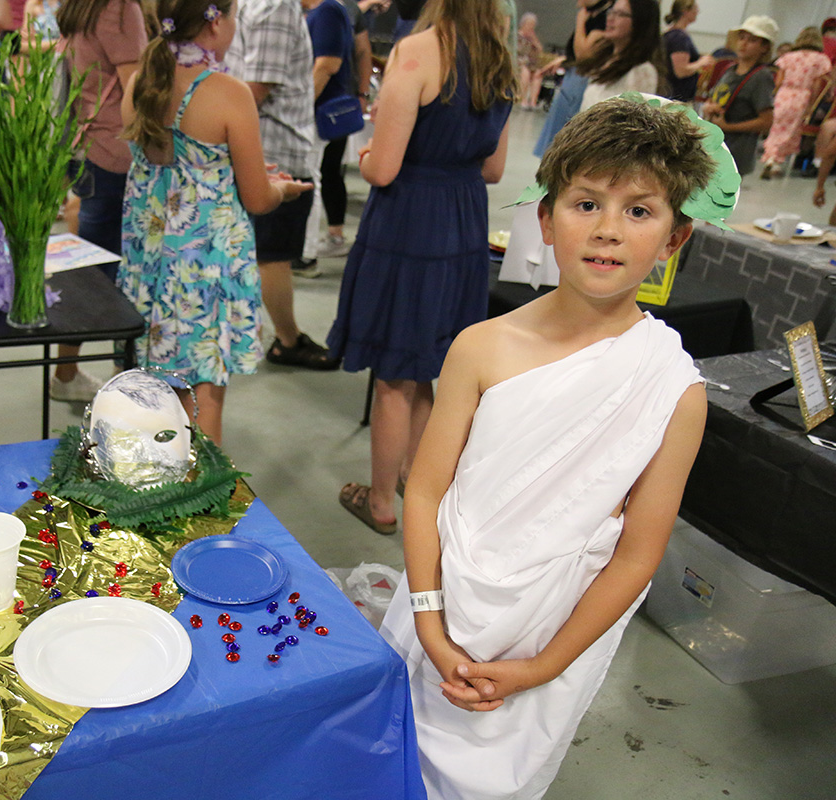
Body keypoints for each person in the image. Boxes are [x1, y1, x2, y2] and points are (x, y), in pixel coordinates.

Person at [380, 96, 713, 799]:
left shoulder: (674, 390)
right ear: (544, 218)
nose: (609, 231)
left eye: (640, 211)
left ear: (675, 238)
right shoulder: (482, 346)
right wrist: (432, 623)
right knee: (390, 752)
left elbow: (636, 555)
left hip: (551, 636)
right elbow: (427, 490)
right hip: (438, 605)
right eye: (586, 203)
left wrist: (544, 666)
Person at [327, 0, 512, 534]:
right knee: (428, 362)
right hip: (463, 220)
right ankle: (415, 475)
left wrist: (363, 159)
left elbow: (382, 168)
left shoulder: (417, 51)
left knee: (393, 376)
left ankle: (381, 502)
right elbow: (495, 169)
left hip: (409, 223)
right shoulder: (501, 59)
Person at [119, 0, 311, 444]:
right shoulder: (227, 92)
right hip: (204, 271)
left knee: (150, 393)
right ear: (215, 22)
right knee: (202, 395)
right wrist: (282, 188)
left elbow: (174, 169)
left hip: (150, 264)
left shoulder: (140, 82)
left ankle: (145, 483)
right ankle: (195, 498)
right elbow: (258, 198)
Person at [227, 0, 336, 370]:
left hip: (266, 148)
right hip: (275, 152)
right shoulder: (275, 6)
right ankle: (287, 340)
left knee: (267, 254)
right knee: (273, 256)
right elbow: (256, 87)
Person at [54, 0, 149, 400]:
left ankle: (70, 371)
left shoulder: (82, 5)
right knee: (110, 274)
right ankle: (113, 378)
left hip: (88, 146)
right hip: (118, 154)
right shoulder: (120, 7)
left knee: (90, 266)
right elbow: (136, 91)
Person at [305, 0, 356, 258]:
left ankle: (306, 253)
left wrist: (302, 105)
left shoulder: (327, 10)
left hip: (322, 111)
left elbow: (327, 64)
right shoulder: (325, 10)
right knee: (325, 173)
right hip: (323, 108)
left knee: (316, 176)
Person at [533, 0, 613, 157]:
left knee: (566, 137)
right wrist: (564, 60)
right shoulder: (593, 14)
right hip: (573, 77)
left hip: (582, 80)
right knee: (554, 138)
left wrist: (580, 21)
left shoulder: (603, 18)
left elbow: (583, 54)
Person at [701, 15, 777, 176]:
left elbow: (766, 121)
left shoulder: (761, 77)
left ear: (764, 47)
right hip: (714, 145)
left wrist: (729, 127)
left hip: (736, 151)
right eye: (742, 38)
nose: (744, 43)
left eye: (752, 40)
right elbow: (714, 97)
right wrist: (709, 107)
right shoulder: (729, 70)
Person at [760, 27, 831, 180]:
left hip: (784, 93)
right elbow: (817, 85)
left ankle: (771, 157)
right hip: (802, 96)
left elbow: (778, 81)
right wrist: (811, 105)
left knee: (777, 127)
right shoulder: (820, 59)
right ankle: (776, 159)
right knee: (791, 129)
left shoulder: (788, 57)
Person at [576, 0, 662, 111]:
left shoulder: (642, 70)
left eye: (620, 14)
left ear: (639, 21)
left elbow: (633, 120)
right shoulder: (605, 58)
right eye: (611, 12)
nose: (610, 18)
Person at [662, 0, 713, 102]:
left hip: (668, 93)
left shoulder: (669, 33)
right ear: (685, 11)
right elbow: (681, 71)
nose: (697, 12)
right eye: (695, 9)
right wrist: (701, 62)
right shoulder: (679, 37)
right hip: (676, 97)